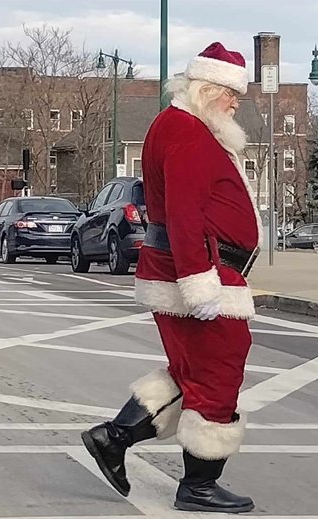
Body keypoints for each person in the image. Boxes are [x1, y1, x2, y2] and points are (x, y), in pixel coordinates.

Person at [81, 42, 261, 512]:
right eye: (230, 93)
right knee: (221, 369)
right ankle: (197, 485)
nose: (235, 103)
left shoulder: (188, 127)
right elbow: (184, 212)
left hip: (195, 269)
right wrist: (199, 281)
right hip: (200, 274)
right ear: (207, 88)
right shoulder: (185, 131)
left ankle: (115, 437)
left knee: (194, 370)